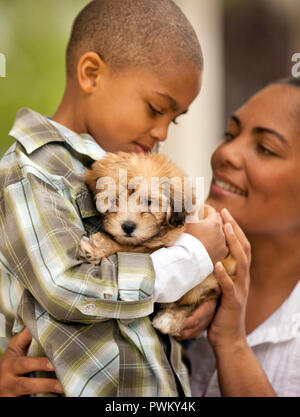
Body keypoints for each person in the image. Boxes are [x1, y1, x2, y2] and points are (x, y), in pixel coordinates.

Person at [0, 0, 229, 397]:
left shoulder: (134, 173)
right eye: (155, 108)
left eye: (173, 119)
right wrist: (189, 258)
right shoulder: (30, 172)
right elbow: (65, 287)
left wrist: (194, 296)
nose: (162, 132)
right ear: (91, 74)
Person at [188, 78, 300, 397]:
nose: (225, 153)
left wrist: (231, 343)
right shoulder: (172, 266)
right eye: (230, 134)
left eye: (265, 149)